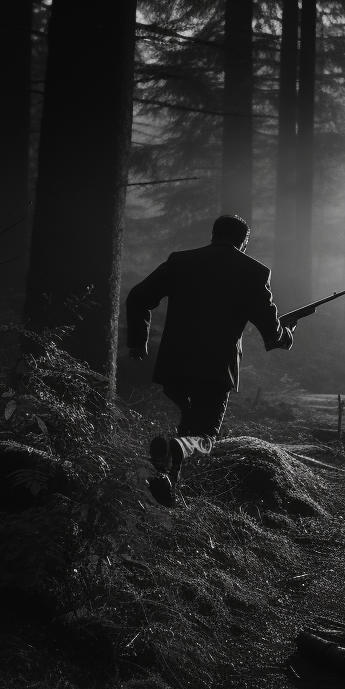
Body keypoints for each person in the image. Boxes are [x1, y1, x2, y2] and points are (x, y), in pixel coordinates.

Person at [126, 214, 297, 505]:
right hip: (215, 370)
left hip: (174, 366)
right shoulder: (255, 271)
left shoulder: (180, 261)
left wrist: (138, 342)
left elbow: (137, 297)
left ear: (213, 234)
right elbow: (271, 331)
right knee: (204, 439)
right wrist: (287, 333)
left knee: (187, 426)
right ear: (244, 242)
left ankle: (168, 489)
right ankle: (171, 449)